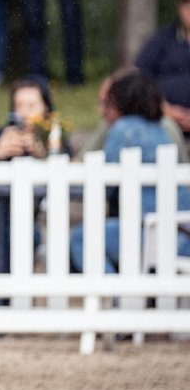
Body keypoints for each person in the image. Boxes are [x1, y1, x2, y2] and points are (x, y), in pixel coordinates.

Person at [70, 71, 190, 274]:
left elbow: (104, 183)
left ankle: (115, 295)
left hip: (148, 233)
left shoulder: (122, 130)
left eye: (109, 103)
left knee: (82, 238)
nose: (104, 111)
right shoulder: (162, 129)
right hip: (180, 232)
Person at [0, 77, 71, 284]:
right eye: (19, 106)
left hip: (33, 217)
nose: (24, 112)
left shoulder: (55, 139)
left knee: (21, 233)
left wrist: (45, 154)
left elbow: (67, 181)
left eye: (32, 106)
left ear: (46, 109)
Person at [81, 68, 189, 163]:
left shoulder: (120, 128)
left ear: (124, 99)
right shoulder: (166, 125)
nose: (102, 111)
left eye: (108, 103)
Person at [135, 0, 190, 141]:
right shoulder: (164, 38)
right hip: (162, 119)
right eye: (186, 4)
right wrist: (162, 108)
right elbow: (138, 77)